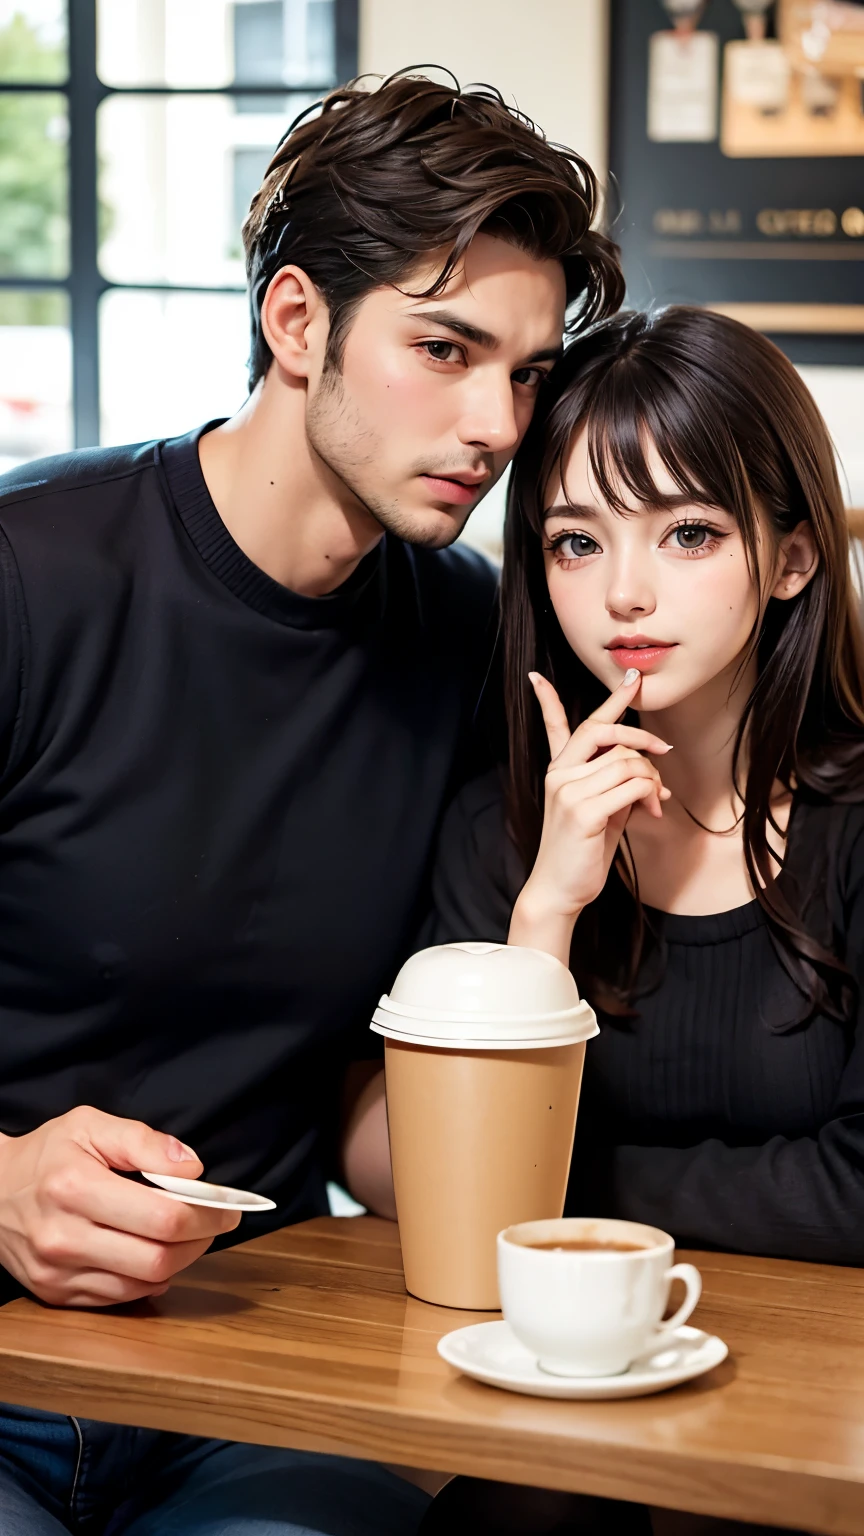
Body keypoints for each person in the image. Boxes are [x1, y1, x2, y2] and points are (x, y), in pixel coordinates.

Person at [0, 70, 622, 1536]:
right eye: (445, 348)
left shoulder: (468, 639)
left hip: (259, 1372)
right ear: (296, 325)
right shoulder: (34, 578)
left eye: (526, 373)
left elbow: (363, 1092)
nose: (495, 423)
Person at [423, 306, 864, 1534]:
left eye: (688, 532)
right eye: (575, 541)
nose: (625, 590)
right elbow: (462, 1209)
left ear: (790, 557)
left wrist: (567, 1211)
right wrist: (551, 906)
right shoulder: (497, 834)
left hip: (821, 1404)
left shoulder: (857, 828)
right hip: (551, 1406)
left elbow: (858, 1189)